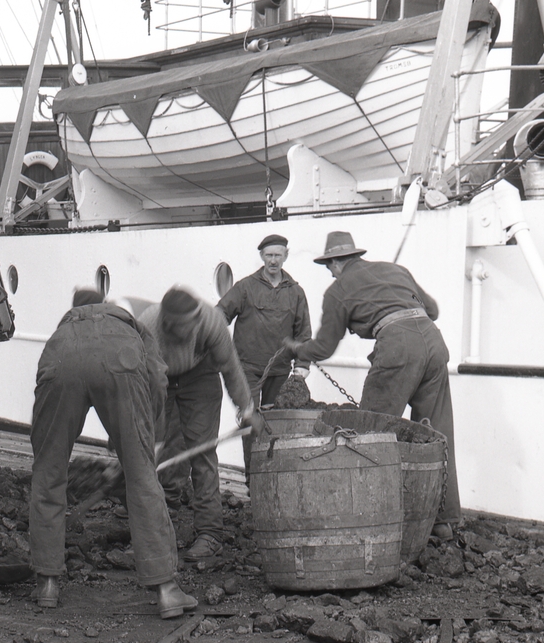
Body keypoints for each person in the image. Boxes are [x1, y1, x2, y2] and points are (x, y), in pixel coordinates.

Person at [28, 287, 198, 619]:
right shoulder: (128, 323)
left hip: (61, 360)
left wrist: (45, 452)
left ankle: (47, 583)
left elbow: (44, 400)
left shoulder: (63, 329)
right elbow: (158, 380)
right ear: (104, 304)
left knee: (48, 474)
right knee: (142, 477)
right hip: (120, 359)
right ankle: (166, 591)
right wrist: (139, 436)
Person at [283, 231, 460, 537]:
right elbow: (432, 310)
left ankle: (367, 521)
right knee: (435, 433)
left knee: (368, 435)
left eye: (329, 266)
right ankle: (442, 521)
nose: (330, 271)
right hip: (433, 342)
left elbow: (324, 347)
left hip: (397, 348)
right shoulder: (396, 271)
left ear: (338, 262)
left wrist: (297, 349)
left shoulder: (337, 291)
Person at [139, 287, 266, 563]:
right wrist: (146, 434)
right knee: (160, 449)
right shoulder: (147, 328)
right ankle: (159, 519)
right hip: (159, 379)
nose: (192, 329)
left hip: (201, 375)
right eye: (185, 326)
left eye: (194, 323)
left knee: (201, 451)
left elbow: (231, 368)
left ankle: (210, 533)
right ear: (168, 324)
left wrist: (246, 410)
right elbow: (144, 386)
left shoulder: (210, 322)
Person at [218, 233, 312, 473]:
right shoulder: (245, 287)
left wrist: (301, 368)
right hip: (247, 371)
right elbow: (219, 315)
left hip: (280, 373)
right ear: (261, 256)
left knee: (277, 425)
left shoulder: (296, 292)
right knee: (250, 423)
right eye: (269, 255)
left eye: (278, 256)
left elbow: (303, 333)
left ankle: (274, 475)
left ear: (286, 256)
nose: (273, 261)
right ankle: (253, 478)